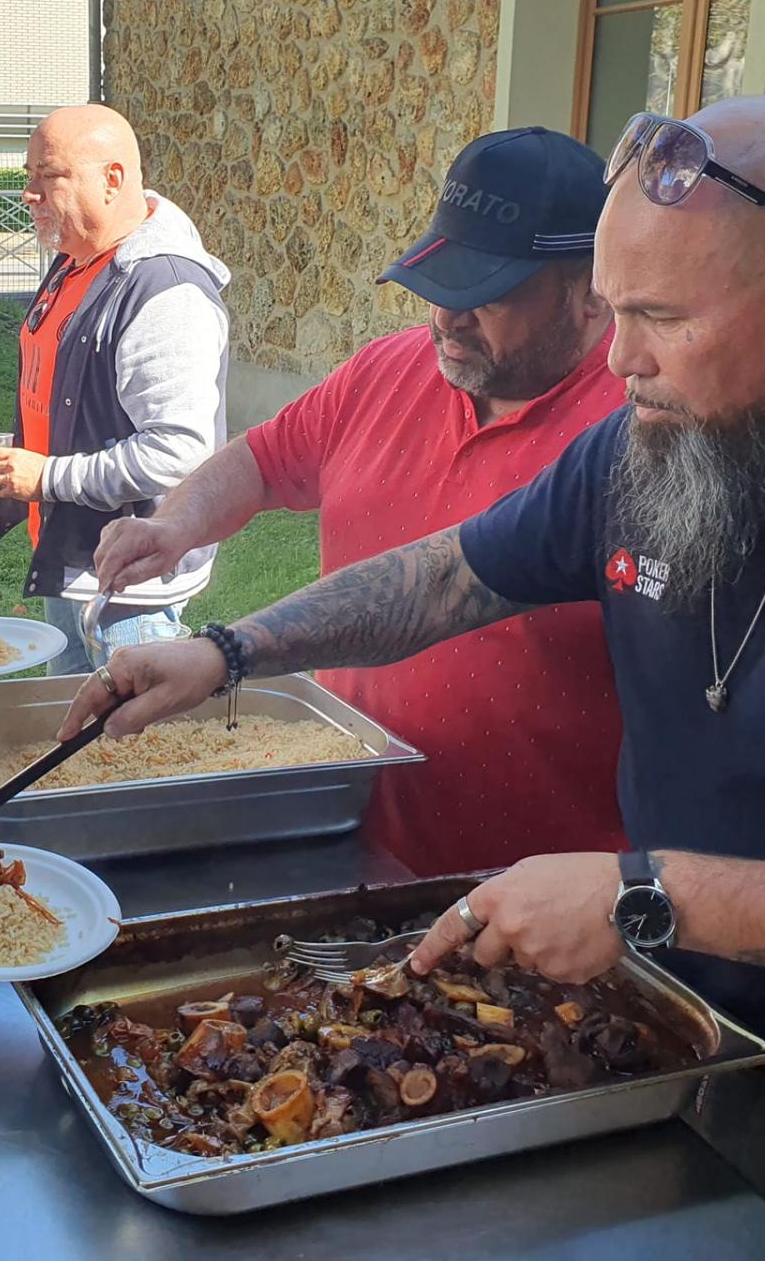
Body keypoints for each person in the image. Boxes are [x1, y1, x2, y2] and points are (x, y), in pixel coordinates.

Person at [61, 96, 765, 1258]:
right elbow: (446, 578)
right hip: (668, 1058)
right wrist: (226, 651)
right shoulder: (646, 444)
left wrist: (645, 893)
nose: (621, 356)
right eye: (611, 305)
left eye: (656, 316)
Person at [96, 127, 628, 874]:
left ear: (592, 296)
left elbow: (445, 587)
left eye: (485, 295)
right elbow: (260, 458)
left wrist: (224, 653)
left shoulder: (640, 431)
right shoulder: (388, 369)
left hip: (537, 883)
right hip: (348, 834)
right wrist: (175, 523)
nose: (448, 318)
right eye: (437, 286)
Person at [0, 104, 229, 674]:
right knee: (72, 743)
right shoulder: (77, 258)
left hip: (127, 591)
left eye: (49, 175)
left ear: (112, 179)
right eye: (27, 176)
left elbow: (179, 451)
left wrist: (47, 478)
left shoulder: (165, 290)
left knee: (124, 756)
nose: (28, 193)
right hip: (73, 559)